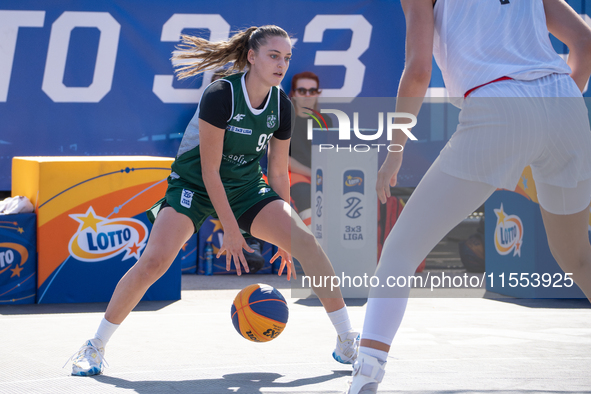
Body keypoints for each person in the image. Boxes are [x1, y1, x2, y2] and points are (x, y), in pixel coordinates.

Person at [67, 25, 359, 376]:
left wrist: (287, 230)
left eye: (286, 58)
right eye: (273, 56)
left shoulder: (281, 103)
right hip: (194, 184)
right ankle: (94, 346)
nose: (281, 64)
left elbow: (279, 173)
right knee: (155, 262)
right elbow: (210, 172)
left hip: (248, 187)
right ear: (252, 57)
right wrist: (232, 231)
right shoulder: (221, 93)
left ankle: (347, 339)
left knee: (307, 243)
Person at [346, 1, 591, 393]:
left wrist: (394, 152)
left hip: (499, 105)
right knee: (578, 258)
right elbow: (585, 40)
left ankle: (366, 376)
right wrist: (554, 115)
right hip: (565, 103)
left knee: (401, 251)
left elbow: (418, 71)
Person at [288, 71, 332, 228]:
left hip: (321, 175)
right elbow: (280, 159)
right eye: (302, 91)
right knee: (306, 197)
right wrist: (313, 174)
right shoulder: (285, 119)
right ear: (293, 93)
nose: (307, 95)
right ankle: (313, 245)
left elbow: (330, 155)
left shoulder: (325, 120)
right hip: (294, 176)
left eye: (312, 91)